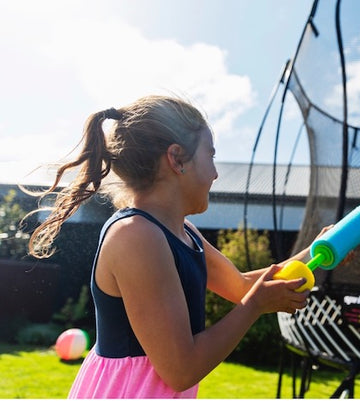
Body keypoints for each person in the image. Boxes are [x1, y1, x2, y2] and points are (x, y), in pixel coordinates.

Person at [27, 95, 325, 398]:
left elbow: (242, 286)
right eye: (210, 156)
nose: (215, 173)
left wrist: (321, 250)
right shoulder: (136, 236)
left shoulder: (183, 233)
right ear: (177, 159)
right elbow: (181, 370)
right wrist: (255, 308)